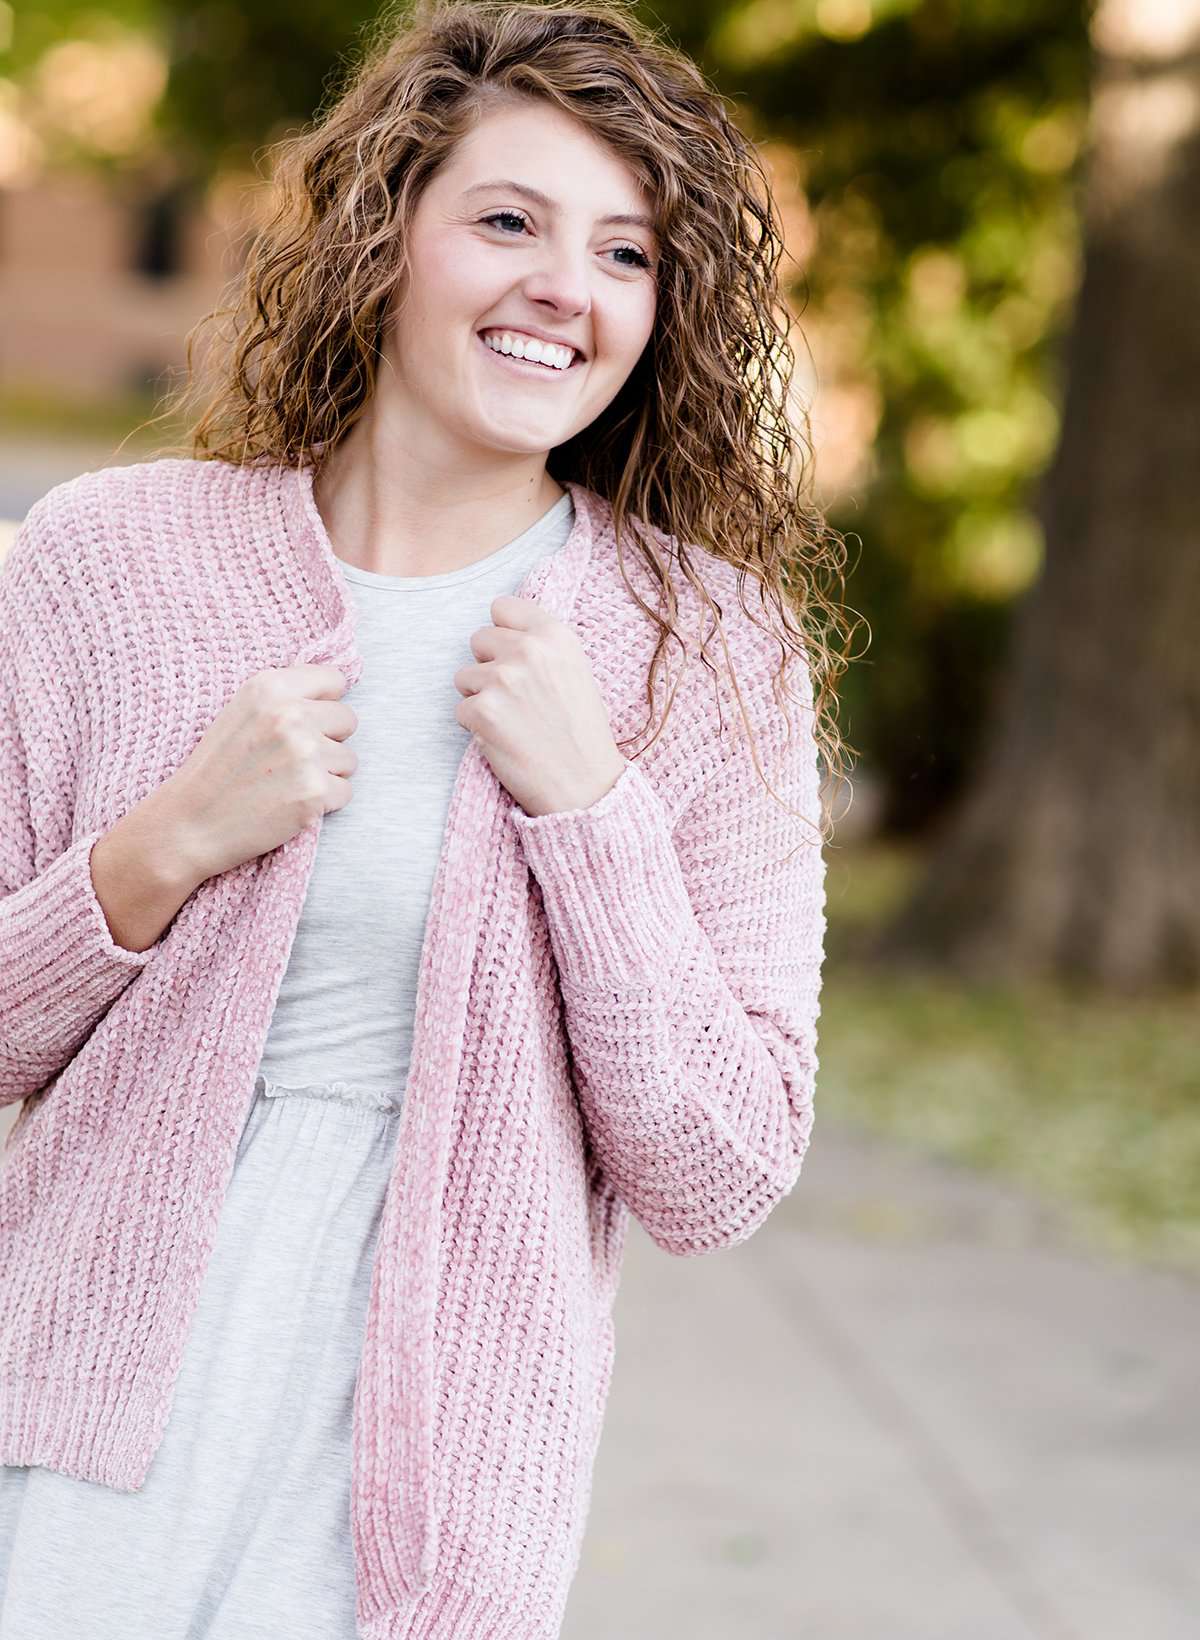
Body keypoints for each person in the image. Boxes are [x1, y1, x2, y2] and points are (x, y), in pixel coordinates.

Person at [0, 1, 852, 1635]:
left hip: (430, 1495)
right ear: (387, 240)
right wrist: (158, 850)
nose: (566, 287)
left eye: (627, 253)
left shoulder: (704, 647)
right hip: (72, 1429)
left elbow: (721, 1171)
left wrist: (593, 817)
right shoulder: (114, 561)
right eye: (511, 222)